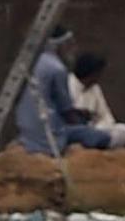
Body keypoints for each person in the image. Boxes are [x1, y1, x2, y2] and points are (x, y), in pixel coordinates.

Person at [16, 25, 113, 157]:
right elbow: (66, 111)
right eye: (69, 45)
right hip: (48, 137)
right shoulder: (57, 69)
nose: (73, 49)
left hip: (26, 133)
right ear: (59, 46)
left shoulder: (31, 63)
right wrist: (84, 122)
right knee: (100, 137)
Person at [70, 52, 125, 147]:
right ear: (92, 73)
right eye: (99, 73)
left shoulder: (95, 88)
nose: (100, 76)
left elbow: (106, 116)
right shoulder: (67, 84)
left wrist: (97, 129)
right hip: (75, 132)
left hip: (95, 130)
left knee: (124, 130)